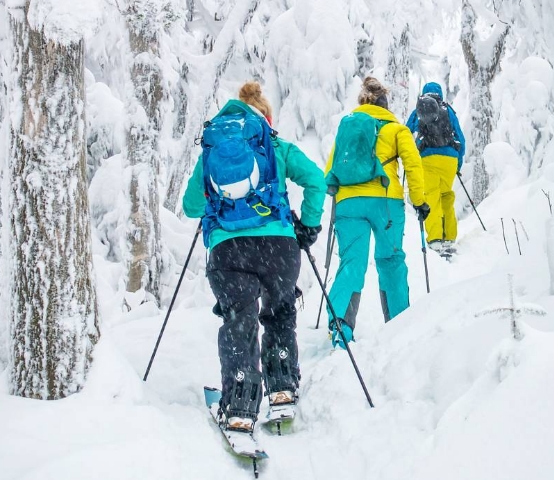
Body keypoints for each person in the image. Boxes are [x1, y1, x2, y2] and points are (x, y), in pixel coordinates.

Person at [182, 81, 326, 433]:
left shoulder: (213, 149)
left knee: (238, 321)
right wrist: (307, 225)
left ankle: (240, 406)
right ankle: (280, 388)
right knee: (278, 313)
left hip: (229, 251)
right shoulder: (276, 145)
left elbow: (190, 206)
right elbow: (316, 181)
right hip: (278, 247)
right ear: (266, 117)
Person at [324, 77, 428, 347]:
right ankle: (399, 324)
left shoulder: (347, 127)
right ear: (385, 103)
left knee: (352, 262)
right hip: (386, 201)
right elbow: (413, 166)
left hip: (348, 202)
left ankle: (340, 328)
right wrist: (420, 201)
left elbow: (330, 169)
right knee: (391, 261)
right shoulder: (396, 129)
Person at [406, 81, 465, 257]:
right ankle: (449, 237)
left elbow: (406, 132)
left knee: (431, 196)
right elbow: (460, 138)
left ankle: (436, 239)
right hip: (450, 159)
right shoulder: (449, 110)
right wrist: (458, 163)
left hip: (428, 158)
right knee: (446, 195)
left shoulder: (419, 111)